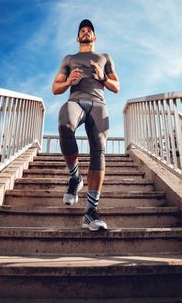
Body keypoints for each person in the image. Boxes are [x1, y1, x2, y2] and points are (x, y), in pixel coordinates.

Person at [52, 19, 120, 231]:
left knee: (98, 150)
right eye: (82, 30)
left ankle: (90, 212)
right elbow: (55, 88)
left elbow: (116, 86)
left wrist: (103, 78)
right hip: (76, 100)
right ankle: (75, 177)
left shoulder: (105, 57)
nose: (86, 32)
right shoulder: (69, 58)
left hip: (99, 104)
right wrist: (68, 82)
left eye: (89, 30)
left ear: (94, 37)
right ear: (77, 37)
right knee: (65, 125)